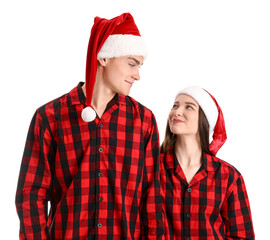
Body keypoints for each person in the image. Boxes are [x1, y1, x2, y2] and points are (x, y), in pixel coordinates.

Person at [15, 13, 163, 239]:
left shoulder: (144, 121)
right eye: (132, 64)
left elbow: (152, 199)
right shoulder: (50, 117)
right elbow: (31, 195)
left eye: (139, 66)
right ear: (104, 58)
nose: (137, 75)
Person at [160, 86, 255, 239]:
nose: (176, 112)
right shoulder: (151, 168)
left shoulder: (228, 176)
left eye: (189, 107)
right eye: (175, 105)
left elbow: (242, 236)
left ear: (204, 119)